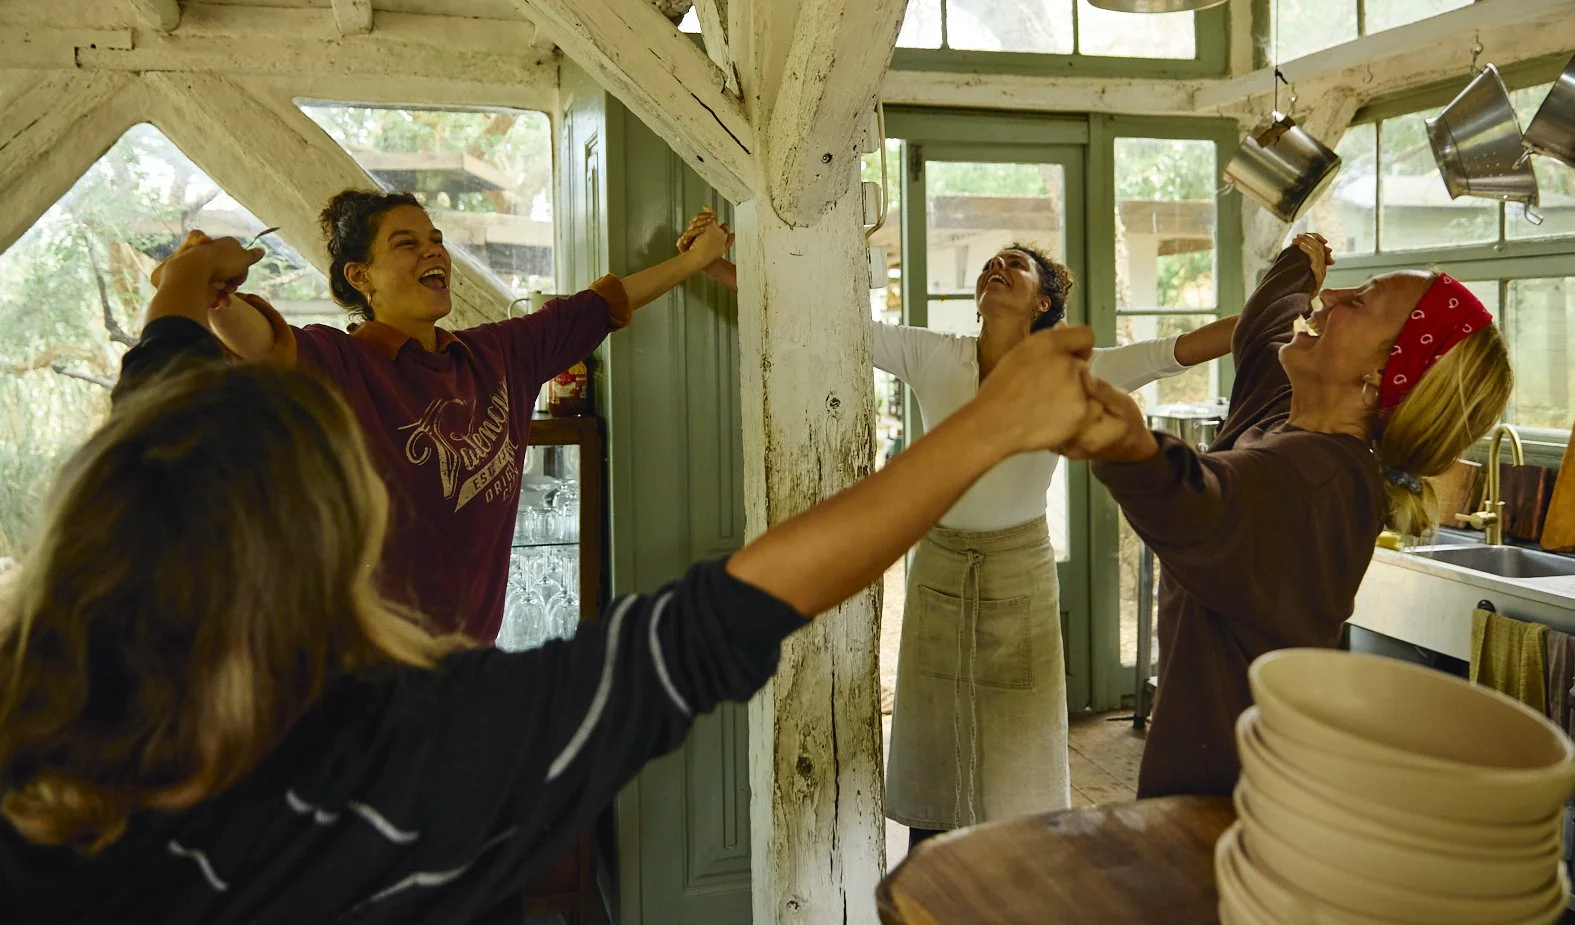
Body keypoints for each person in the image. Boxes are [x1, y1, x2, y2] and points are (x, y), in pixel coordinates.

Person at [0, 233, 1129, 924]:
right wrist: (985, 429)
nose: (430, 250)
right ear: (332, 545)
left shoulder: (34, 762)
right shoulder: (417, 755)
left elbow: (158, 390)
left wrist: (182, 283)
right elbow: (713, 620)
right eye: (404, 240)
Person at [676, 209, 1239, 840]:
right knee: (935, 735)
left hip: (1019, 568)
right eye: (990, 266)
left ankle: (1016, 870)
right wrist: (714, 265)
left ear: (1043, 303)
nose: (996, 269)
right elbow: (826, 323)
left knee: (1018, 735)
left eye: (1015, 266)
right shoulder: (931, 353)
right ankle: (929, 868)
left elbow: (1177, 351)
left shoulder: (1074, 368)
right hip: (940, 563)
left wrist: (1288, 312)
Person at [152, 192, 731, 642]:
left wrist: (699, 261)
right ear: (361, 278)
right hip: (357, 679)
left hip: (463, 675)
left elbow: (600, 306)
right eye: (406, 243)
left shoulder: (497, 355)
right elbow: (261, 343)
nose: (434, 251)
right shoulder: (341, 363)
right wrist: (213, 292)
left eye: (436, 239)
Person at [1079, 233, 1514, 799]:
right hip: (1211, 786)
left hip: (1234, 809)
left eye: (1357, 302)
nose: (1330, 298)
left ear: (1382, 376)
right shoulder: (1289, 415)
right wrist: (1296, 265)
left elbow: (1201, 506)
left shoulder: (1318, 481)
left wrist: (1113, 434)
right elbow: (1263, 329)